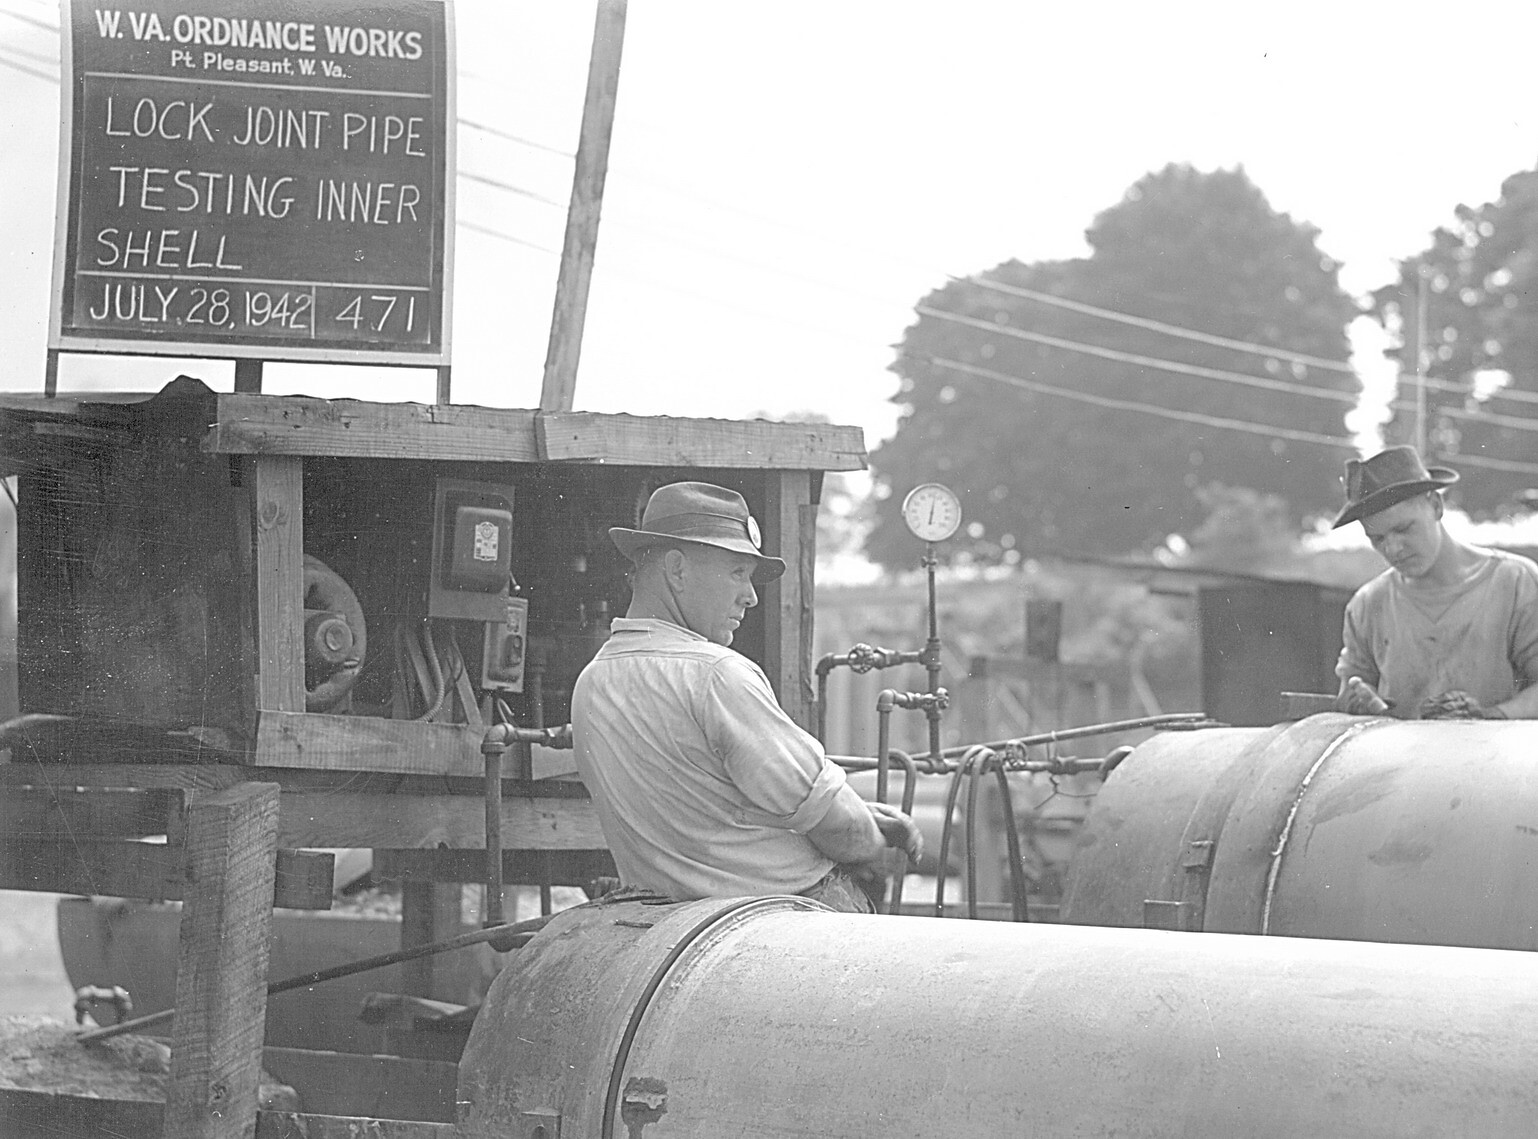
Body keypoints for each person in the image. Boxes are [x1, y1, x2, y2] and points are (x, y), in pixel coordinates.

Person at [571, 481, 922, 912]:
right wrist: (876, 839)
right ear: (677, 570)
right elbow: (841, 829)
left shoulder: (592, 681)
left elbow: (711, 807)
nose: (751, 596)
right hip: (778, 914)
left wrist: (859, 813)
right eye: (738, 572)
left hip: (663, 920)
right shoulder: (716, 675)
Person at [1331, 446, 1538, 719]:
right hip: (1399, 761)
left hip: (1495, 759)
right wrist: (1361, 701)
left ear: (1436, 506)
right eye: (1377, 538)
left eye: (1403, 529)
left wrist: (1490, 716)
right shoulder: (1368, 605)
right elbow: (1349, 693)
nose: (1393, 549)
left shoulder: (1514, 583)